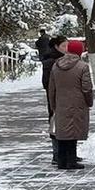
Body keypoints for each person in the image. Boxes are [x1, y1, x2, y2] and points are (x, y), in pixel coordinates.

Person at [49, 39, 93, 170]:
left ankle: (62, 161)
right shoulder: (82, 66)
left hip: (60, 102)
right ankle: (71, 160)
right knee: (73, 132)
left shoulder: (56, 65)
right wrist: (89, 101)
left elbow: (52, 88)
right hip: (77, 103)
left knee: (63, 132)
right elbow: (86, 87)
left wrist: (53, 104)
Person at [42, 35, 67, 165]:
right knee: (55, 123)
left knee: (65, 124)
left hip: (64, 96)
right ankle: (56, 154)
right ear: (56, 46)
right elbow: (46, 82)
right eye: (64, 46)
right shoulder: (50, 61)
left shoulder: (64, 59)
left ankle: (66, 153)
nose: (66, 48)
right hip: (54, 97)